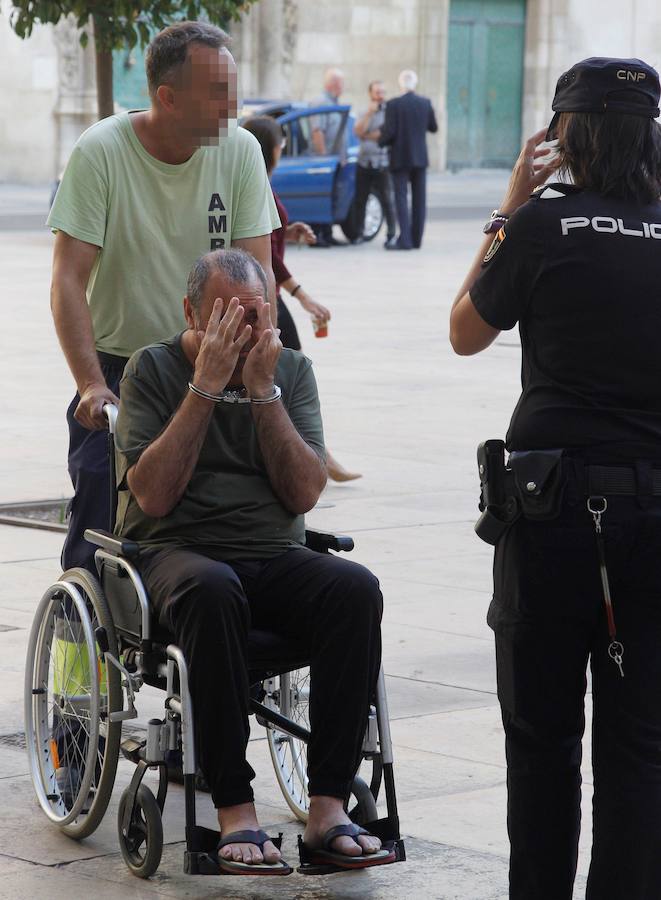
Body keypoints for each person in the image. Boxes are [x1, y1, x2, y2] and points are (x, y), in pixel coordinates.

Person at [449, 57, 661, 900]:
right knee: (640, 745)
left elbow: (466, 332)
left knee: (540, 742)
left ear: (562, 134)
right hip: (651, 513)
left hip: (552, 516)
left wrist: (506, 208)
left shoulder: (541, 223)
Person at [114, 247, 393, 874]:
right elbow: (153, 495)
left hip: (273, 553)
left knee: (355, 590)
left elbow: (304, 493)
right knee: (214, 590)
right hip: (176, 552)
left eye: (255, 319)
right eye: (226, 320)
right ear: (191, 312)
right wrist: (205, 386)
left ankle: (327, 806)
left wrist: (263, 392)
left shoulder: (289, 370)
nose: (244, 336)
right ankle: (236, 810)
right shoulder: (151, 370)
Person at [47, 21, 280, 574]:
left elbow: (258, 273)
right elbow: (66, 281)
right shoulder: (102, 151)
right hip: (122, 368)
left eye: (234, 86)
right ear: (167, 98)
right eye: (217, 91)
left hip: (216, 361)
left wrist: (260, 365)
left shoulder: (241, 150)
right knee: (101, 523)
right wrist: (89, 383)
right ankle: (81, 650)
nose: (234, 103)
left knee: (229, 519)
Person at [243, 115, 361, 482]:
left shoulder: (258, 183)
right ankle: (312, 454)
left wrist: (288, 231)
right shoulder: (254, 183)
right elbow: (266, 258)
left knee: (286, 375)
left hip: (268, 295)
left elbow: (270, 240)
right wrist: (304, 297)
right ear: (272, 148)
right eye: (281, 143)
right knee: (289, 376)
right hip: (266, 300)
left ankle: (309, 452)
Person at [378, 69, 437, 250]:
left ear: (400, 84)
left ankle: (405, 240)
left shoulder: (393, 104)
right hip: (420, 157)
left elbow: (389, 133)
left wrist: (380, 140)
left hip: (400, 157)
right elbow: (433, 127)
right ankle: (416, 239)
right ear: (415, 83)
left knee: (401, 198)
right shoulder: (425, 103)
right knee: (420, 200)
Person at [353, 80, 397, 248]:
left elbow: (384, 134)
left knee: (387, 199)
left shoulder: (390, 112)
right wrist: (369, 115)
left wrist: (366, 134)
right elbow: (357, 131)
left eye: (382, 92)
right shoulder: (364, 111)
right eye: (377, 92)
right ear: (370, 94)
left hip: (382, 161)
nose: (380, 96)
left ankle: (391, 234)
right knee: (361, 200)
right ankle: (359, 233)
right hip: (364, 162)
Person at [309, 68, 346, 247]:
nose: (343, 87)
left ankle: (328, 233)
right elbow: (317, 132)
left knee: (332, 197)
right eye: (341, 83)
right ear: (333, 84)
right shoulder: (321, 102)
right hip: (323, 162)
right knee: (321, 197)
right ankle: (317, 235)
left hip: (335, 162)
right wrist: (324, 159)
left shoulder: (333, 102)